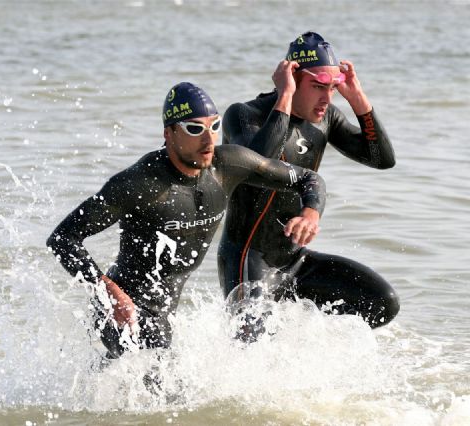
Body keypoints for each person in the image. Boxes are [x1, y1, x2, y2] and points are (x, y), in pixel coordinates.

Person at [47, 82, 326, 359]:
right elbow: (63, 238)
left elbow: (307, 178)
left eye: (214, 127)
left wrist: (310, 212)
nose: (208, 140)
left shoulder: (227, 166)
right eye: (194, 129)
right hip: (122, 314)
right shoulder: (139, 184)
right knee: (166, 389)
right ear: (169, 133)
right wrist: (109, 292)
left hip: (164, 316)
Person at [218, 31, 399, 329]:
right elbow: (256, 165)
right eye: (318, 87)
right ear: (292, 78)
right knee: (251, 341)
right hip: (248, 260)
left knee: (382, 302)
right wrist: (285, 97)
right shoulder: (244, 115)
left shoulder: (326, 117)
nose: (327, 99)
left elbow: (382, 159)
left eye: (333, 89)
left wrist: (357, 99)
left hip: (296, 262)